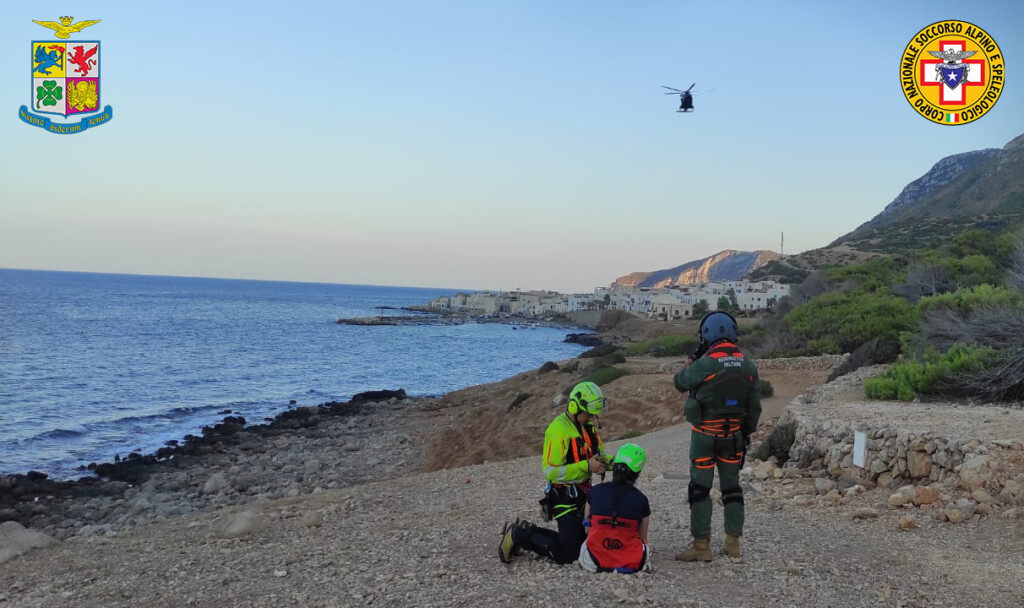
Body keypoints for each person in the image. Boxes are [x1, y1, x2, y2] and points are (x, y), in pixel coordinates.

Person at [673, 311, 761, 562]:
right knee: (732, 488)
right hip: (733, 436)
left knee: (700, 488)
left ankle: (701, 546)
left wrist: (693, 357)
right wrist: (745, 434)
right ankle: (733, 544)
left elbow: (679, 382)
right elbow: (754, 408)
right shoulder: (748, 366)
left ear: (707, 335)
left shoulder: (704, 365)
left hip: (704, 436)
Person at [499, 381, 608, 565]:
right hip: (564, 498)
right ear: (574, 407)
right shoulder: (558, 431)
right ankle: (519, 534)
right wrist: (586, 466)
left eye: (593, 414)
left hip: (584, 496)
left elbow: (600, 456)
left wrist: (617, 464)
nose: (591, 418)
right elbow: (550, 472)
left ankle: (529, 533)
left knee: (588, 544)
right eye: (588, 414)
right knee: (570, 555)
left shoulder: (589, 429)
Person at [578, 443, 651, 573]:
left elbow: (587, 529)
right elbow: (642, 537)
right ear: (638, 472)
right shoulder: (642, 500)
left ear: (614, 466)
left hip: (593, 561)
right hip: (632, 562)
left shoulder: (595, 491)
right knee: (645, 548)